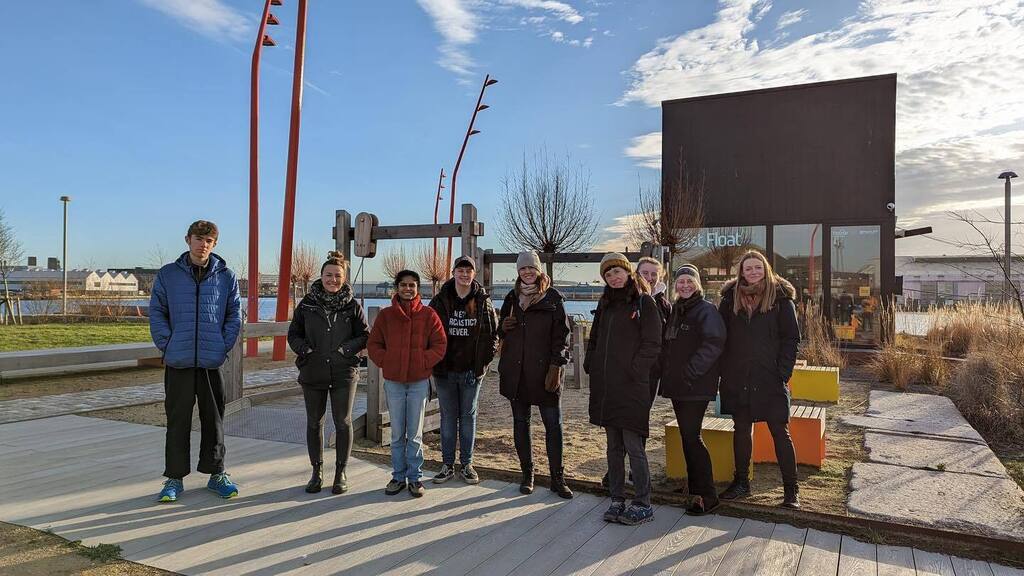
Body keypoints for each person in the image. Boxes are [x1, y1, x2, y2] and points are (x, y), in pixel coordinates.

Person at [150, 220, 242, 502]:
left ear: (214, 244)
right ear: (188, 239)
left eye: (209, 241)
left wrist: (222, 346)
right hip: (178, 362)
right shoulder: (168, 275)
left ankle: (216, 474)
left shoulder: (226, 276)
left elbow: (234, 314)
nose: (204, 245)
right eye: (199, 239)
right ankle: (174, 479)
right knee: (177, 420)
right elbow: (157, 312)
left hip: (211, 363)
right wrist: (168, 344)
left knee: (213, 420)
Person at [717, 250, 802, 508]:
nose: (752, 272)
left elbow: (791, 339)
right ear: (741, 272)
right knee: (741, 429)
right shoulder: (729, 299)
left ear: (765, 269)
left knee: (780, 432)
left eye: (757, 267)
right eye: (747, 268)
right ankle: (741, 482)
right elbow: (720, 336)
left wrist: (783, 373)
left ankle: (791, 491)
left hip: (770, 378)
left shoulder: (780, 299)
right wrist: (723, 372)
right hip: (738, 377)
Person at [585, 253, 662, 525]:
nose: (613, 278)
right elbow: (594, 338)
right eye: (608, 274)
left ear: (628, 272)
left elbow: (653, 343)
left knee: (634, 445)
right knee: (613, 446)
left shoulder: (644, 302)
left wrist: (636, 370)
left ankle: (643, 502)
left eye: (617, 272)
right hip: (607, 386)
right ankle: (617, 498)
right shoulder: (605, 303)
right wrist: (590, 363)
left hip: (632, 386)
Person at [288, 251, 369, 495]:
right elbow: (294, 334)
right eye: (328, 275)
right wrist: (306, 350)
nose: (332, 279)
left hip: (344, 372)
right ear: (321, 276)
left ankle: (340, 472)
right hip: (313, 371)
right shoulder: (308, 304)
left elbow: (364, 334)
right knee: (314, 422)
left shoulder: (353, 306)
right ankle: (317, 472)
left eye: (337, 276)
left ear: (344, 278)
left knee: (343, 422)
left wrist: (346, 349)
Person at [497, 250, 573, 499]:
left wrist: (557, 365)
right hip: (516, 372)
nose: (527, 272)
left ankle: (557, 478)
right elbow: (501, 333)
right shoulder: (511, 297)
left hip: (545, 373)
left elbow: (562, 336)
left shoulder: (553, 298)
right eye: (523, 269)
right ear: (518, 272)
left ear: (539, 270)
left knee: (553, 426)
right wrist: (503, 328)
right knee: (521, 423)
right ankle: (527, 474)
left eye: (531, 268)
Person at [367, 270, 447, 498]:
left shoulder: (429, 315)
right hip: (393, 382)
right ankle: (397, 476)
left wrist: (423, 361)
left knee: (414, 433)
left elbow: (440, 345)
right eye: (403, 285)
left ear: (418, 288)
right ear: (397, 287)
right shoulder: (386, 316)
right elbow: (374, 344)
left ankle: (415, 477)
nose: (408, 289)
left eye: (412, 285)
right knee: (396, 433)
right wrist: (387, 361)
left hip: (419, 383)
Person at [659, 264, 726, 515]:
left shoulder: (706, 310)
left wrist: (690, 372)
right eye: (681, 282)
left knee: (692, 437)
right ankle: (694, 486)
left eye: (689, 281)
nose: (684, 285)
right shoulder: (678, 309)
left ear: (697, 284)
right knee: (688, 437)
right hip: (679, 385)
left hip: (695, 385)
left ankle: (708, 495)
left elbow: (714, 343)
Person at [428, 255, 499, 485]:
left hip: (471, 372)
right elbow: (429, 333)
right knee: (448, 417)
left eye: (469, 271)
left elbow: (492, 335)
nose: (464, 275)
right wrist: (434, 362)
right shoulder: (440, 300)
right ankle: (447, 464)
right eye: (460, 270)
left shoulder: (482, 301)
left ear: (474, 274)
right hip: (445, 370)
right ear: (454, 273)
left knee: (468, 417)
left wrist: (482, 365)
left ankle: (467, 464)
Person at [636, 256, 672, 322]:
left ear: (659, 277)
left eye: (654, 274)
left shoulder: (665, 306)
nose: (649, 278)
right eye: (645, 273)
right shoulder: (627, 299)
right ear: (636, 274)